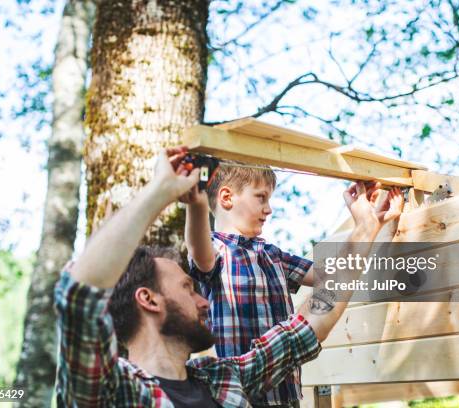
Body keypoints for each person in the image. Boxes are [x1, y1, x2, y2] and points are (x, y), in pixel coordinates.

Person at [54, 146, 404, 407]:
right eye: (188, 288)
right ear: (148, 299)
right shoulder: (114, 392)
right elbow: (78, 296)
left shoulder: (226, 380)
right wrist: (160, 190)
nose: (205, 298)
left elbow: (315, 314)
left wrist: (368, 226)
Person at [182, 165, 314, 407]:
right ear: (227, 197)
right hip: (238, 396)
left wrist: (370, 225)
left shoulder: (273, 254)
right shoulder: (217, 250)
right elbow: (198, 249)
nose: (269, 208)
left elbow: (331, 273)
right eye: (261, 197)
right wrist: (196, 202)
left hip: (286, 395)